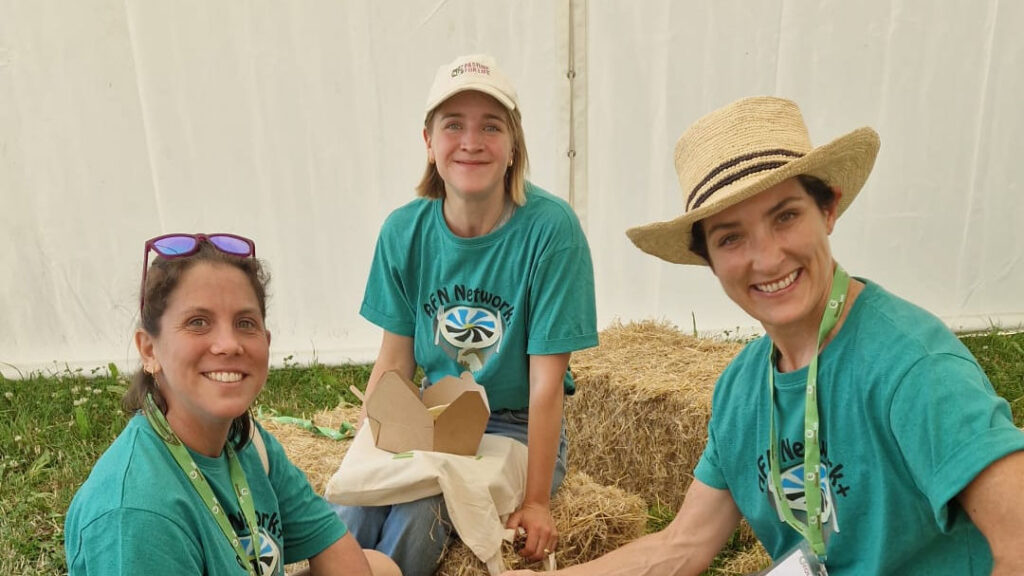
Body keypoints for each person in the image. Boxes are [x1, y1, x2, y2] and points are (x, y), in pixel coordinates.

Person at [502, 96, 1024, 575]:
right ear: (708, 260)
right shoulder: (741, 389)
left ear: (829, 209)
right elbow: (681, 544)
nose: (767, 257)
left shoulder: (912, 366)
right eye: (732, 238)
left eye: (786, 216)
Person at [332, 54, 598, 576]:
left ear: (513, 144)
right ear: (428, 142)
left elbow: (545, 386)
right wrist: (363, 453)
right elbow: (393, 362)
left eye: (490, 126)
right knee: (350, 507)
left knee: (422, 507)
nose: (471, 142)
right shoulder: (403, 232)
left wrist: (539, 502)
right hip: (435, 414)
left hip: (512, 426)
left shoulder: (551, 231)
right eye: (453, 125)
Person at [64, 233, 400, 576]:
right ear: (149, 350)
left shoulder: (248, 442)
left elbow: (334, 546)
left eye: (245, 323)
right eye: (198, 322)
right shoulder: (137, 512)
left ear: (266, 342)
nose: (228, 344)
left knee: (380, 568)